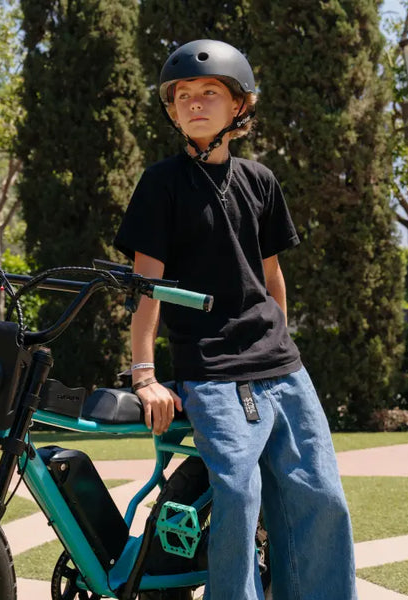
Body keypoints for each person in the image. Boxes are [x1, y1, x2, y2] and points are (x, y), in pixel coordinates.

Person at [114, 39, 358, 600]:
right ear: (172, 111)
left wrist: (279, 339)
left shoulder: (260, 181)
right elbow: (145, 287)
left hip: (282, 367)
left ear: (240, 107)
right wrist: (145, 373)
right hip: (213, 372)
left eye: (209, 93)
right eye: (182, 96)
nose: (194, 103)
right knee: (239, 495)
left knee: (321, 494)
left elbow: (272, 279)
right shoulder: (161, 184)